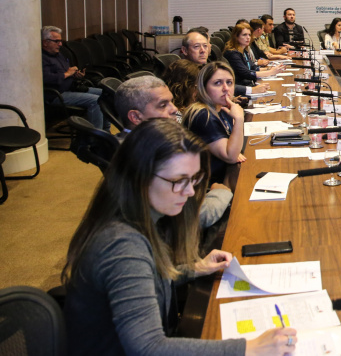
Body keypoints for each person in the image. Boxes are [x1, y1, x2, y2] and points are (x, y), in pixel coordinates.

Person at [62, 119, 297, 356]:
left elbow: (147, 283)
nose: (191, 191)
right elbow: (149, 348)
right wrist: (249, 348)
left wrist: (193, 268)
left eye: (194, 179)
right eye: (178, 181)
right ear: (139, 175)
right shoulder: (121, 245)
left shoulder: (145, 219)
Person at [115, 76, 232, 229]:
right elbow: (189, 217)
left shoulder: (137, 142)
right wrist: (222, 193)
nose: (174, 109)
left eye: (171, 101)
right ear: (136, 116)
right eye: (163, 105)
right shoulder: (140, 156)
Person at [183, 62, 247, 190]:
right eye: (217, 83)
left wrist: (232, 148)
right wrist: (239, 119)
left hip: (225, 175)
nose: (226, 88)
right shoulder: (202, 115)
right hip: (207, 188)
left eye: (229, 82)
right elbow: (231, 156)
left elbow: (232, 147)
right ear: (204, 87)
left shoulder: (221, 108)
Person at [41, 25, 109, 130]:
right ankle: (96, 138)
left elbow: (67, 72)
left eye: (61, 41)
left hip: (72, 87)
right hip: (57, 94)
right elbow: (45, 78)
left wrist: (76, 75)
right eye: (56, 41)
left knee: (107, 94)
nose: (60, 44)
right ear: (45, 42)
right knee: (95, 101)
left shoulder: (58, 54)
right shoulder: (41, 58)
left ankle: (106, 131)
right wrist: (67, 74)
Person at [181, 30, 266, 98]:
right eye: (196, 46)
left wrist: (232, 99)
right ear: (185, 50)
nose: (203, 50)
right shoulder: (184, 72)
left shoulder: (206, 65)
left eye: (205, 46)